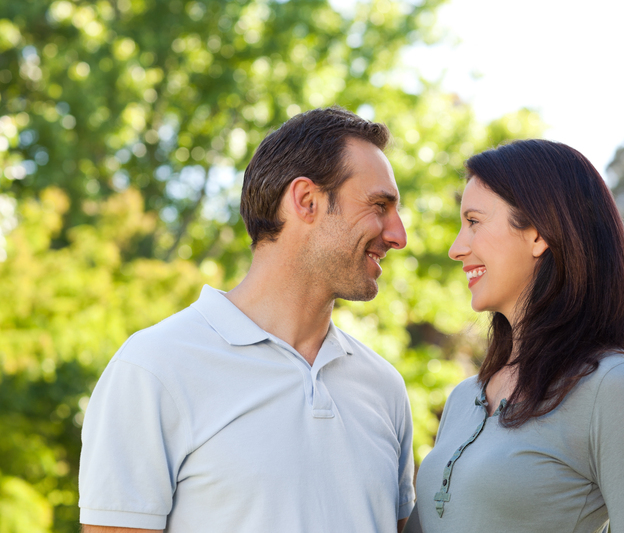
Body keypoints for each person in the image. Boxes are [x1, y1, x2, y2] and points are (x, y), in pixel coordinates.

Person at [79, 107, 415, 533]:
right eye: (380, 206)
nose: (398, 235)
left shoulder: (384, 387)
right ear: (307, 201)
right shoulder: (154, 369)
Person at [410, 139, 624, 532]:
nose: (456, 248)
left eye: (473, 221)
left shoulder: (615, 388)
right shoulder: (463, 398)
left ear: (537, 233)